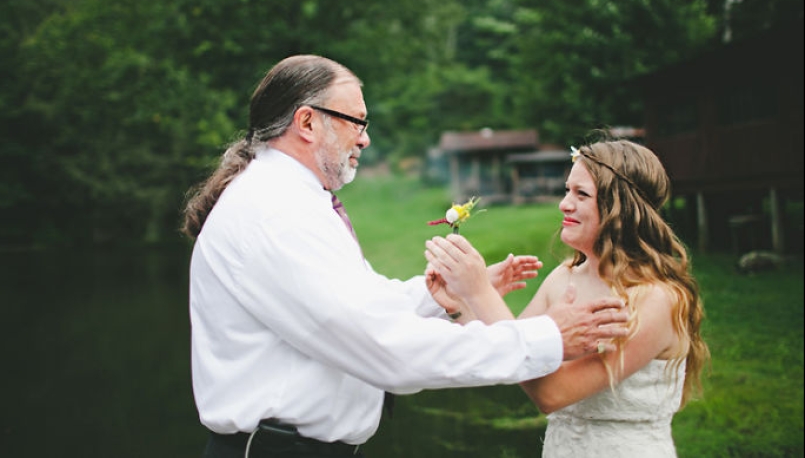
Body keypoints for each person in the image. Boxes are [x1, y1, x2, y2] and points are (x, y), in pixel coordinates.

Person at [182, 55, 629, 458]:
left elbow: (358, 306)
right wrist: (546, 338)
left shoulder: (289, 203)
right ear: (307, 122)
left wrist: (441, 297)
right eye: (356, 121)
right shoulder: (273, 214)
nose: (366, 139)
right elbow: (384, 347)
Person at [425, 137, 710, 458]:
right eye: (566, 190)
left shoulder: (656, 299)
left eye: (581, 194)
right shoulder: (564, 276)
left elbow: (552, 392)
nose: (564, 204)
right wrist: (460, 306)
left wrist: (480, 291)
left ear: (622, 208)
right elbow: (508, 356)